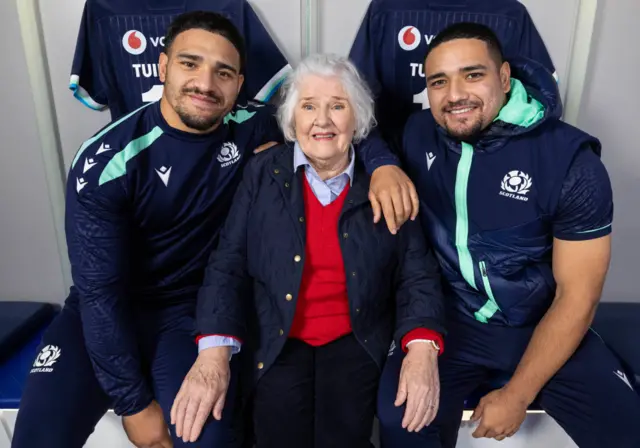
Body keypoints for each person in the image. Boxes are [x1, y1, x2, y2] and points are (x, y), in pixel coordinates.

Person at [11, 12, 420, 448]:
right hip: (102, 312)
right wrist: (133, 404)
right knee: (39, 436)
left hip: (191, 308)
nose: (206, 84)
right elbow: (98, 295)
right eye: (190, 64)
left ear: (239, 82)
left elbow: (336, 122)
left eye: (222, 72)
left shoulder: (253, 123)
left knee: (209, 437)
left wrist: (384, 164)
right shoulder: (106, 161)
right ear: (163, 67)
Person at [377, 22, 640, 448]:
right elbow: (367, 135)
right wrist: (382, 165)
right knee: (400, 418)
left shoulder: (570, 160)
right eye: (439, 81)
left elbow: (578, 296)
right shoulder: (419, 131)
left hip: (540, 322)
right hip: (454, 322)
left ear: (503, 77)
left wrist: (517, 395)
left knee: (627, 428)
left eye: (473, 74)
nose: (455, 94)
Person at [170, 53, 446, 448]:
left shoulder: (385, 182)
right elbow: (227, 263)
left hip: (356, 339)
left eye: (338, 106)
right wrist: (212, 352)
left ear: (359, 119)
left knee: (345, 439)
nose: (322, 120)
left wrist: (422, 348)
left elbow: (416, 273)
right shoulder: (262, 172)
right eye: (309, 106)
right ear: (292, 119)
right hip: (277, 339)